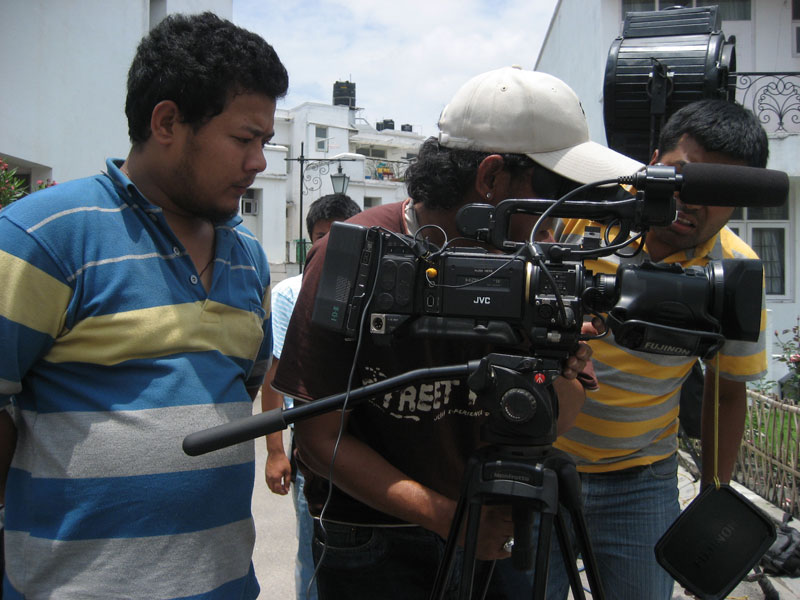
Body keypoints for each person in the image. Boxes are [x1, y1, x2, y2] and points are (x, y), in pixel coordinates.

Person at [272, 66, 643, 600]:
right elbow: (318, 438)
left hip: (497, 532)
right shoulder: (354, 255)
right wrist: (452, 519)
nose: (562, 216)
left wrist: (558, 362)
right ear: (491, 178)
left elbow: (563, 416)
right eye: (556, 191)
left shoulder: (541, 264)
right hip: (375, 542)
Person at [0, 12, 288, 599]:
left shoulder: (249, 259)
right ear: (167, 122)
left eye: (265, 142)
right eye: (244, 139)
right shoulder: (43, 238)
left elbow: (241, 390)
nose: (259, 162)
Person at [545, 98, 770, 599]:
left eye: (718, 189)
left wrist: (712, 502)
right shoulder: (583, 213)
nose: (693, 200)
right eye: (682, 175)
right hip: (540, 459)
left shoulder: (737, 274)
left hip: (641, 480)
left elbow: (727, 393)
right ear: (652, 162)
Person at [262, 193, 362, 600]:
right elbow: (274, 377)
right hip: (311, 444)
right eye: (322, 237)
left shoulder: (377, 289)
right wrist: (275, 452)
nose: (331, 246)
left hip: (368, 440)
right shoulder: (292, 292)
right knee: (313, 551)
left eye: (342, 235)